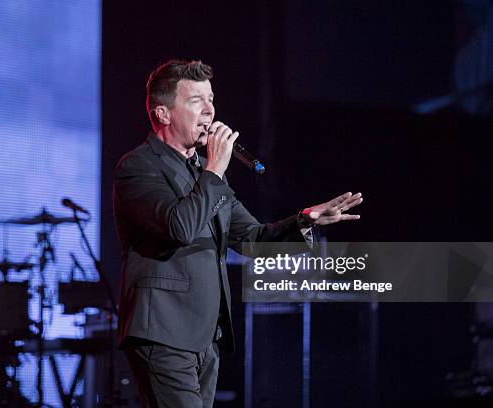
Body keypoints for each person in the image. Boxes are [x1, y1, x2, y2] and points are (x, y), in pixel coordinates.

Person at [113, 59, 363, 407]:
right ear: (164, 114)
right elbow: (179, 227)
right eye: (195, 100)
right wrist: (214, 169)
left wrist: (306, 220)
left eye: (211, 98)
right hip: (163, 333)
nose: (210, 110)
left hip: (205, 338)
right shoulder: (138, 167)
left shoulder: (205, 174)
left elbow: (253, 239)